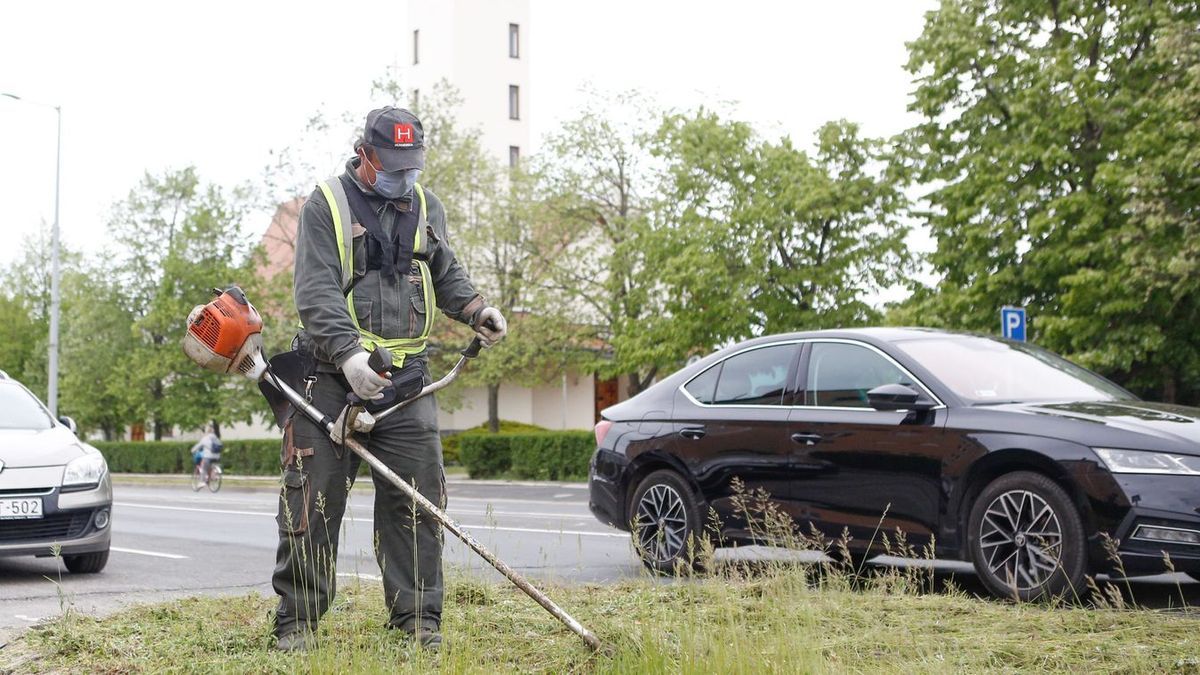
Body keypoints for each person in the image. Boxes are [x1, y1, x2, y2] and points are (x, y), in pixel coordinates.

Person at [271, 106, 507, 652]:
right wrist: (350, 355)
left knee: (418, 503)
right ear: (366, 155)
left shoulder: (425, 206)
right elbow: (315, 292)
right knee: (313, 500)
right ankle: (297, 624)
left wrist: (476, 309)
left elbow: (444, 272)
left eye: (413, 165)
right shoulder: (324, 206)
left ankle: (418, 622)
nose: (406, 176)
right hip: (331, 379)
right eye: (395, 165)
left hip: (407, 385)